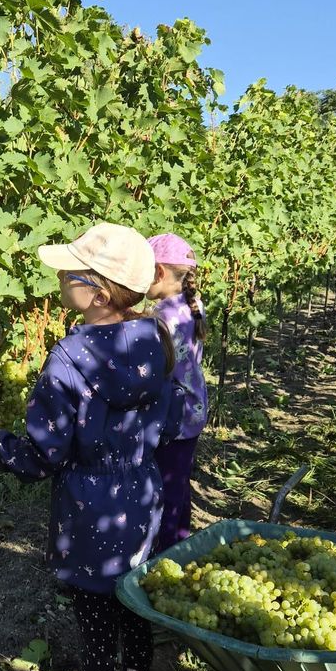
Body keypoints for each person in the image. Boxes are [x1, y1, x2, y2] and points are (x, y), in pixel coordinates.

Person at [0, 222, 186, 671]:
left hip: (91, 513)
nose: (59, 278)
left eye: (69, 273)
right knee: (136, 613)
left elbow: (43, 455)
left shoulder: (71, 357)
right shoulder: (156, 339)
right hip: (143, 502)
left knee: (98, 636)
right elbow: (170, 423)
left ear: (97, 291)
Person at [146, 233, 208, 549]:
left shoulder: (161, 317)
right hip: (194, 410)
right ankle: (180, 542)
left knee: (166, 488)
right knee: (179, 483)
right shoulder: (191, 304)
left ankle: (165, 553)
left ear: (158, 272)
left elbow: (155, 369)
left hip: (174, 416)